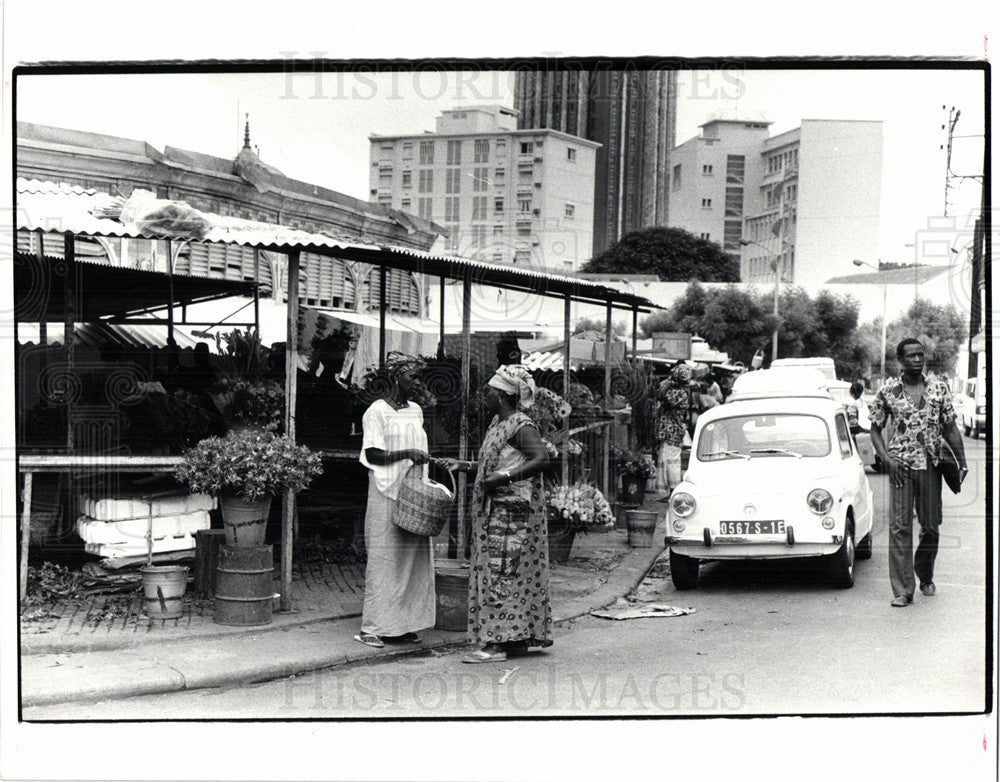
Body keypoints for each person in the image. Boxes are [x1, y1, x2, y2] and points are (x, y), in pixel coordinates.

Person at [444, 365, 551, 663]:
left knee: (502, 574)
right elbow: (497, 462)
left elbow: (540, 458)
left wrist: (503, 478)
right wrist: (465, 466)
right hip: (495, 512)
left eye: (490, 392)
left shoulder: (522, 425)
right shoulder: (497, 422)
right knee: (501, 573)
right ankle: (513, 641)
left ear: (503, 395)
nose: (485, 396)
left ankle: (496, 645)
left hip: (512, 514)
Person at [868, 338, 967, 608]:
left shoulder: (938, 389)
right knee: (900, 527)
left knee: (931, 527)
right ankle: (902, 589)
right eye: (910, 356)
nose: (916, 359)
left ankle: (925, 573)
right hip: (900, 467)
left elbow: (950, 428)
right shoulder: (888, 390)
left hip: (931, 466)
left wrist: (962, 461)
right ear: (900, 361)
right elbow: (875, 429)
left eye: (919, 355)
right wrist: (886, 459)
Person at [355, 352, 436, 648]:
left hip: (411, 492)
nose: (417, 383)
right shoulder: (376, 411)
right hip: (385, 490)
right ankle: (373, 627)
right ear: (395, 378)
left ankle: (403, 625)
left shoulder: (415, 410)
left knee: (410, 559)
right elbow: (372, 453)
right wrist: (406, 454)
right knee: (384, 556)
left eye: (419, 377)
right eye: (412, 377)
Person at [653, 364, 693, 493]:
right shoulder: (680, 391)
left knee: (672, 462)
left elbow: (662, 396)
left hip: (673, 432)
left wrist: (668, 383)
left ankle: (673, 489)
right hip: (668, 432)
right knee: (666, 460)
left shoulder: (680, 393)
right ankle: (667, 490)